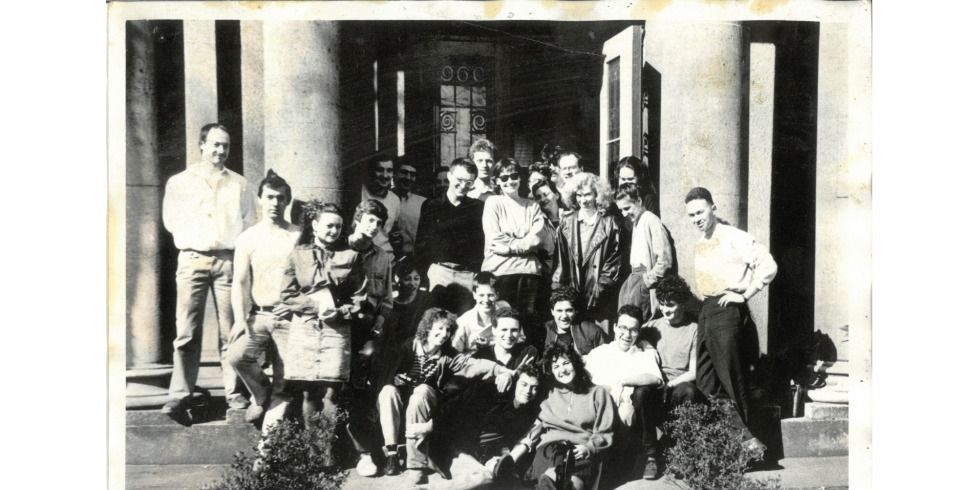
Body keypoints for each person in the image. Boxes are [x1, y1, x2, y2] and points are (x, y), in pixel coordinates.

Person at [160, 123, 254, 420]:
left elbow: (249, 221)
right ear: (201, 145)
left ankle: (234, 393)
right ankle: (180, 393)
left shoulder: (239, 183)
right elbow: (171, 221)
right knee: (186, 331)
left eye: (225, 145)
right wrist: (196, 242)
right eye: (214, 145)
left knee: (232, 330)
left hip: (227, 259)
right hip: (192, 259)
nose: (220, 151)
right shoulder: (180, 182)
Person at [376, 307, 518, 484]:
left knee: (422, 391)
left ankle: (416, 464)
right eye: (440, 328)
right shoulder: (408, 346)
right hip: (402, 399)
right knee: (387, 392)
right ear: (427, 328)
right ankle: (392, 454)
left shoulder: (448, 354)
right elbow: (387, 369)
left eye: (448, 330)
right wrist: (395, 378)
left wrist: (501, 370)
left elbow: (474, 364)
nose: (444, 334)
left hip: (424, 402)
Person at [685, 187, 778, 457]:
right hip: (707, 310)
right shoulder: (701, 242)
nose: (696, 219)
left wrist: (745, 294)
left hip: (727, 310)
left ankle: (747, 453)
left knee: (731, 380)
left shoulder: (734, 237)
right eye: (691, 215)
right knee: (704, 379)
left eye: (700, 212)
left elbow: (768, 265)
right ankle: (746, 439)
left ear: (713, 208)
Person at [278, 200, 391, 421]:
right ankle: (314, 451)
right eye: (328, 225)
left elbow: (359, 296)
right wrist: (315, 306)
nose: (333, 231)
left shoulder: (350, 256)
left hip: (338, 329)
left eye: (338, 227)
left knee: (332, 392)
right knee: (309, 391)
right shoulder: (297, 254)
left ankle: (326, 449)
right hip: (307, 327)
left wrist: (340, 311)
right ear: (315, 225)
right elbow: (287, 294)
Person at [226, 170, 302, 433]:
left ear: (287, 202)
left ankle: (274, 436)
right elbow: (240, 281)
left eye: (280, 198)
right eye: (269, 197)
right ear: (260, 199)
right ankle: (260, 395)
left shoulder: (297, 235)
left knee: (286, 376)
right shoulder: (248, 238)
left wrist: (295, 305)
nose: (274, 203)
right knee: (236, 355)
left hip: (290, 317)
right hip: (259, 315)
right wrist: (239, 318)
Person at [429, 363, 544, 487]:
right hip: (462, 450)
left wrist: (501, 459)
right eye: (524, 384)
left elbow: (515, 441)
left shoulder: (529, 414)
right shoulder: (494, 393)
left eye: (534, 387)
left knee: (487, 479)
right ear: (516, 383)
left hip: (488, 457)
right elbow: (456, 410)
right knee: (484, 479)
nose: (527, 391)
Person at [584, 305, 665, 480]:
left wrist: (623, 384)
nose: (627, 335)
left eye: (634, 330)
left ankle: (650, 456)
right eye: (623, 328)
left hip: (630, 422)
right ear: (614, 327)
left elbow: (655, 379)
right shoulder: (599, 353)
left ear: (639, 332)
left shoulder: (643, 354)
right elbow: (584, 381)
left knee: (643, 393)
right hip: (600, 416)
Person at [482, 157, 551, 343]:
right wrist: (523, 243)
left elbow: (537, 238)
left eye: (513, 176)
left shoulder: (532, 206)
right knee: (502, 324)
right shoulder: (493, 203)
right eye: (503, 178)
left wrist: (509, 248)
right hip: (500, 273)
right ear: (496, 181)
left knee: (528, 325)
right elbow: (494, 238)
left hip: (529, 274)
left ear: (520, 178)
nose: (509, 181)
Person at [530, 342, 616, 490]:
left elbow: (605, 430)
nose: (562, 370)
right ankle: (553, 479)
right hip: (550, 448)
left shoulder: (598, 393)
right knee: (556, 475)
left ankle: (555, 480)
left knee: (573, 481)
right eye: (556, 367)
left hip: (581, 450)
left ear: (575, 363)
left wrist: (588, 447)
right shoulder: (548, 393)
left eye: (566, 363)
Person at [641, 275, 705, 450]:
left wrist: (669, 386)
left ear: (682, 304)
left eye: (670, 305)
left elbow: (693, 372)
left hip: (677, 387)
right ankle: (650, 453)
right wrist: (644, 343)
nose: (664, 310)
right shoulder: (651, 327)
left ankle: (681, 448)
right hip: (655, 386)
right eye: (661, 304)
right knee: (641, 393)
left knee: (689, 391)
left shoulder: (694, 329)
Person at [415, 158, 486, 314]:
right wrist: (425, 275)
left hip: (466, 276)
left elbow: (481, 244)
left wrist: (475, 274)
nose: (463, 186)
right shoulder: (431, 205)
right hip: (439, 273)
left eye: (469, 182)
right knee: (436, 321)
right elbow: (421, 244)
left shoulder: (478, 208)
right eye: (459, 180)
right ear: (449, 176)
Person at [552, 172, 623, 326]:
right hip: (573, 297)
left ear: (597, 195)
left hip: (600, 298)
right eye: (579, 195)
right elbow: (560, 263)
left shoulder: (610, 224)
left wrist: (599, 290)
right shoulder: (566, 223)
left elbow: (613, 263)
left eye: (587, 195)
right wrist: (561, 294)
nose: (583, 200)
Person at [615, 183, 673, 323]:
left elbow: (665, 260)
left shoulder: (651, 220)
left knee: (639, 322)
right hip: (633, 279)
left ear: (639, 201)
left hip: (644, 280)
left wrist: (647, 281)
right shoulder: (637, 221)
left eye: (627, 208)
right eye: (621, 210)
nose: (624, 213)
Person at [451, 272, 511, 354]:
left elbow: (520, 338)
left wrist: (491, 345)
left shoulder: (504, 308)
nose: (486, 300)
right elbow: (456, 355)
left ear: (497, 295)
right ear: (474, 295)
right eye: (481, 295)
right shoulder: (463, 322)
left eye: (490, 295)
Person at [543, 286, 606, 356]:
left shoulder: (591, 331)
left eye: (569, 310)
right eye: (559, 311)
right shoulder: (544, 331)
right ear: (552, 311)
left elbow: (603, 359)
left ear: (575, 311)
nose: (564, 316)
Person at [361, 153, 401, 257]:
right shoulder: (359, 193)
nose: (385, 175)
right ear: (371, 171)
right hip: (361, 256)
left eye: (389, 170)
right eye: (380, 170)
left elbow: (394, 233)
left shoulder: (395, 199)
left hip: (386, 258)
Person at [392, 155, 427, 256]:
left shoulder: (423, 203)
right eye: (404, 173)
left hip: (414, 260)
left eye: (412, 174)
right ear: (394, 175)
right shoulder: (384, 201)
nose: (408, 178)